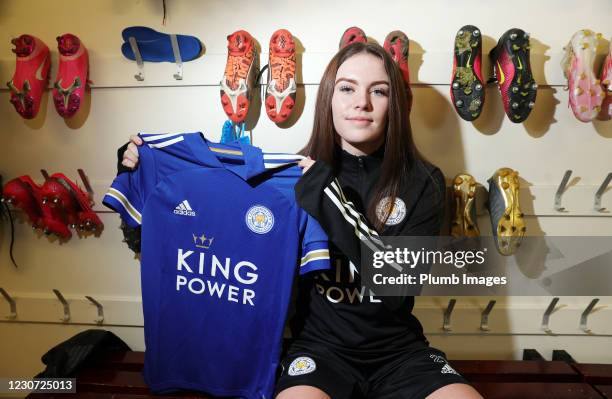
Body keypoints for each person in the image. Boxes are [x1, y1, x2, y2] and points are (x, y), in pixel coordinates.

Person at [121, 42, 483, 399]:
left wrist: (330, 199)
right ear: (328, 97)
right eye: (347, 88)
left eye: (379, 91)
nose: (362, 102)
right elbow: (174, 239)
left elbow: (398, 285)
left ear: (396, 103)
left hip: (400, 353)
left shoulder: (422, 180)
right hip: (319, 352)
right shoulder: (290, 176)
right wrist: (139, 176)